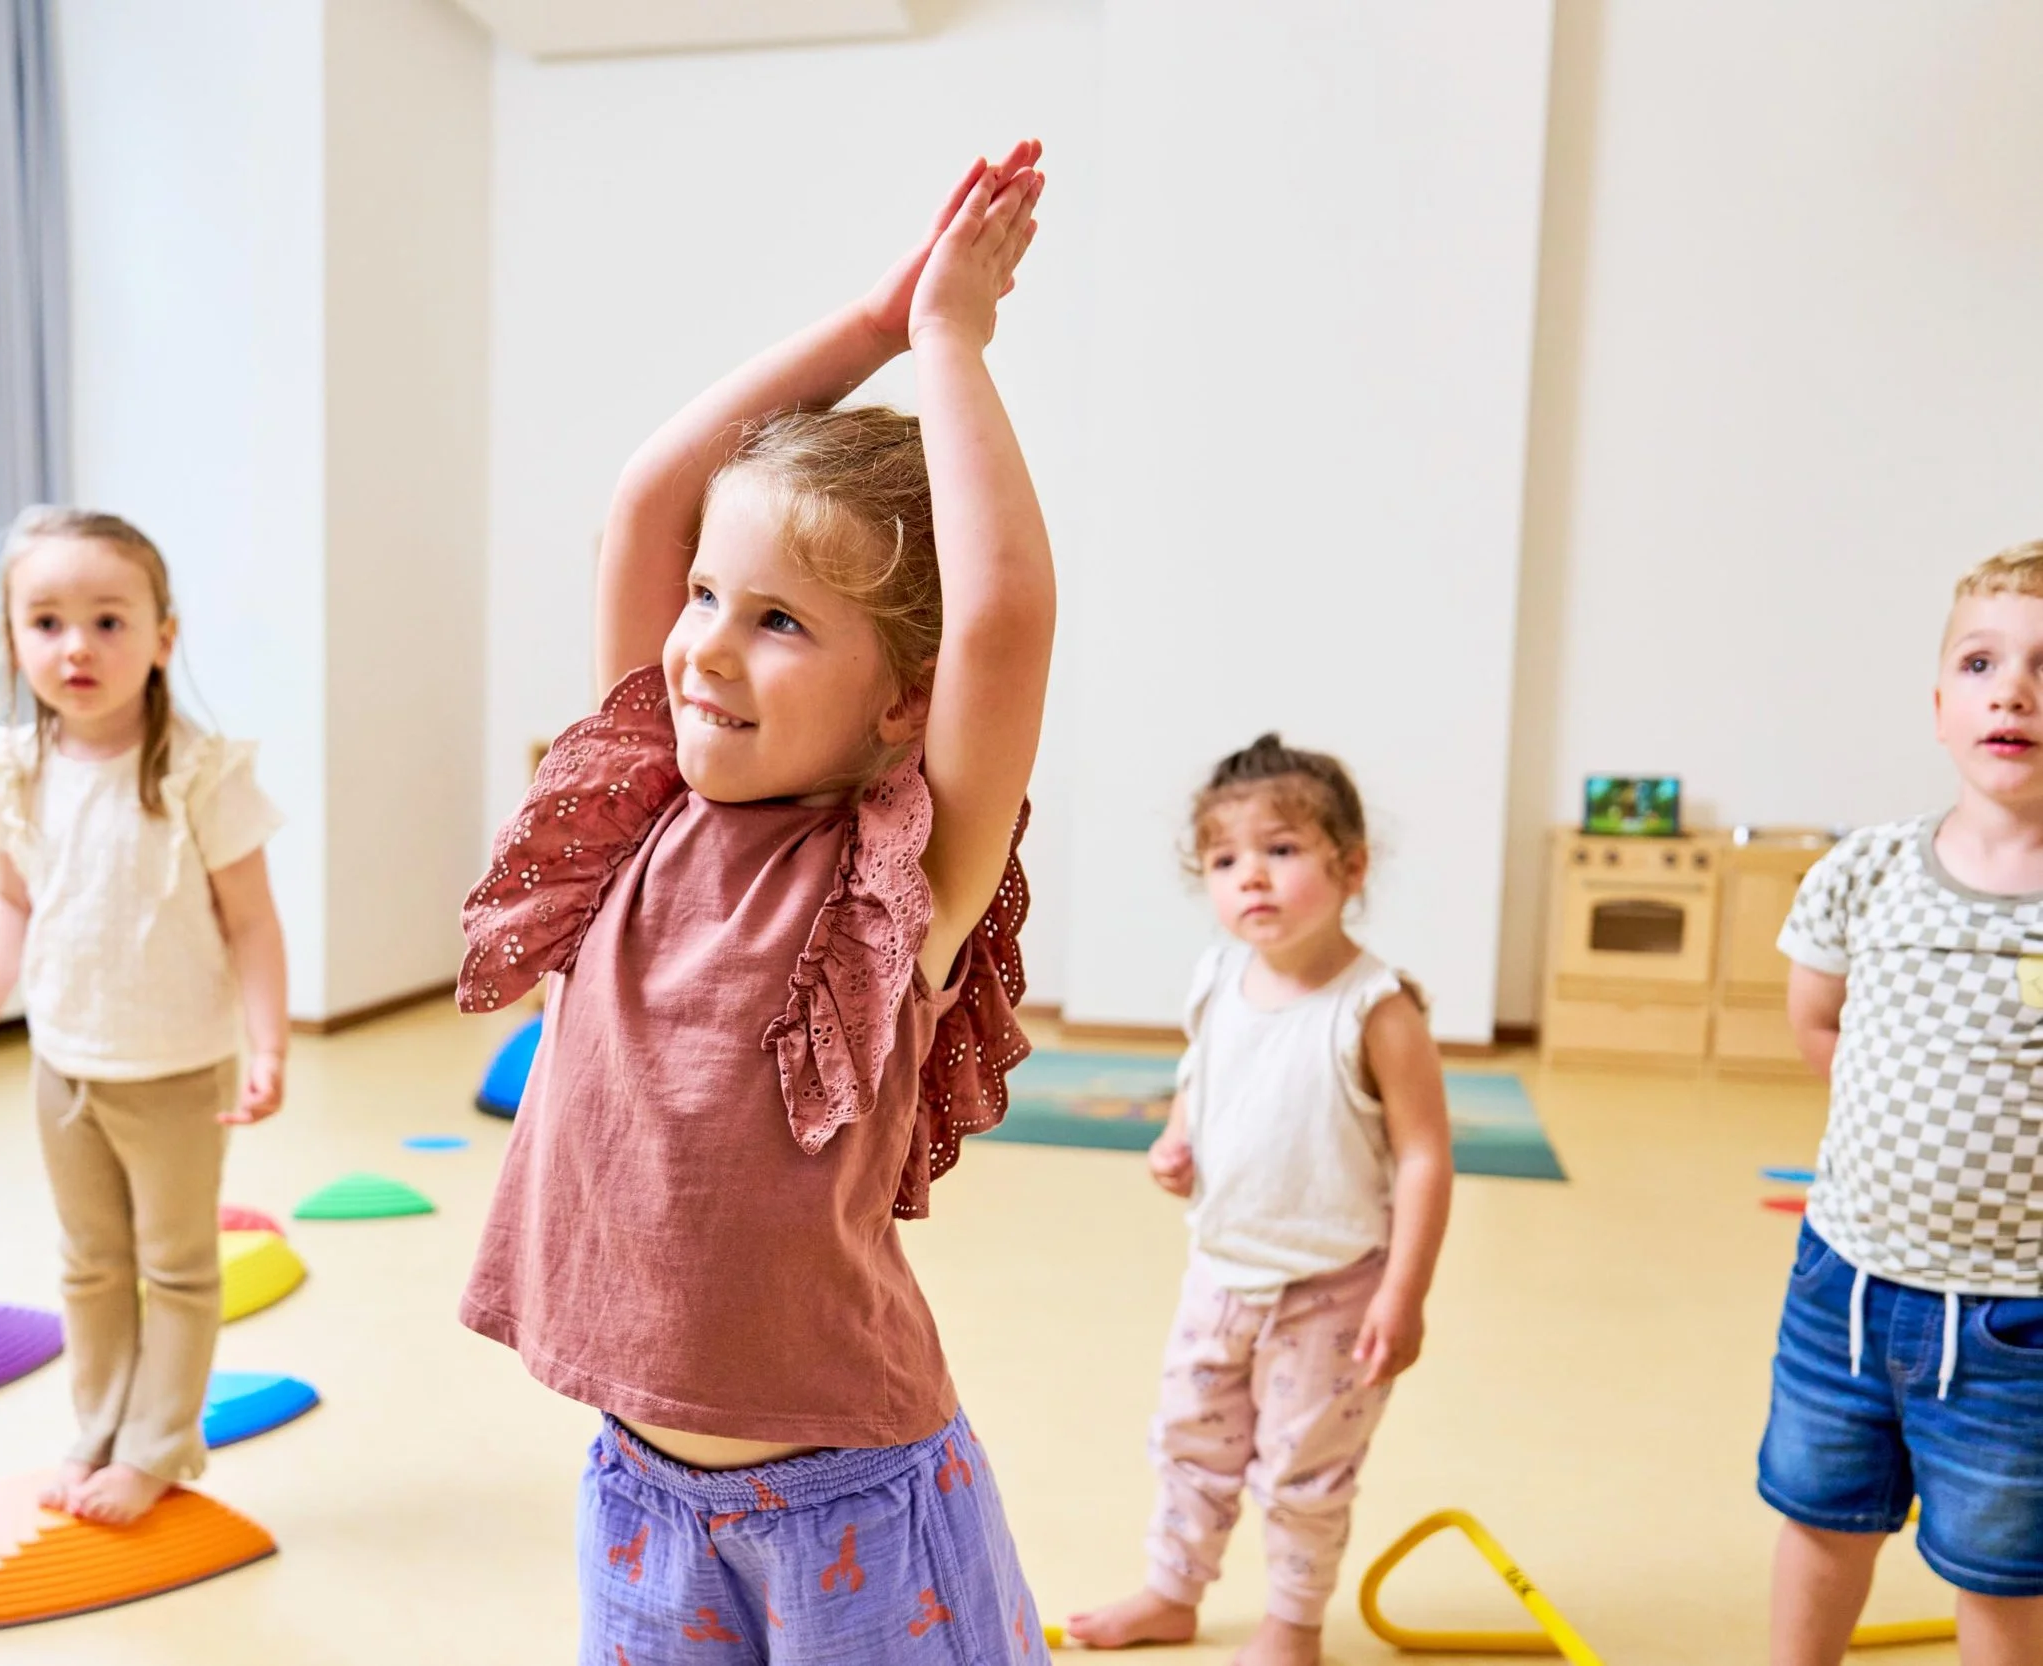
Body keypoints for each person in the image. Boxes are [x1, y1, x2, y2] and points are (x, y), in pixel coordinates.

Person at [457, 144, 1055, 1660]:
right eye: (706, 599)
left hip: (855, 1510)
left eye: (779, 619)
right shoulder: (634, 802)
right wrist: (868, 315)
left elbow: (1002, 618)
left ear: (902, 706)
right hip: (641, 1496)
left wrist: (950, 347)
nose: (705, 646)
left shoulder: (890, 886)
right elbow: (649, 501)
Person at [0, 506, 288, 1525]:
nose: (76, 644)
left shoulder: (197, 774)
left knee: (174, 1267)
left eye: (109, 621)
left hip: (175, 1068)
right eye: (45, 621)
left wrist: (268, 1042)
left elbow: (252, 921)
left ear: (163, 640)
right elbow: (9, 901)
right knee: (89, 1264)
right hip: (64, 1064)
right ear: (13, 638)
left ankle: (160, 1446)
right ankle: (99, 1422)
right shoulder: (16, 774)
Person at [1068, 735, 1453, 1664]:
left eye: (1280, 851)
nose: (1252, 879)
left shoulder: (1378, 1012)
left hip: (1333, 1288)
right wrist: (1180, 1135)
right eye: (1226, 859)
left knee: (1303, 1471)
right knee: (1190, 1442)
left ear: (1351, 867)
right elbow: (1203, 1074)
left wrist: (1405, 1295)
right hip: (1221, 1270)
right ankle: (1172, 1591)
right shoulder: (1217, 979)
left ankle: (1292, 1624)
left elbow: (1424, 1158)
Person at [1762, 541, 2043, 1666]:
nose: (2012, 690)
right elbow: (1816, 1022)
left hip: (2016, 1314)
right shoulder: (1865, 871)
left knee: (2001, 1567)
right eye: (1981, 662)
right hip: (1848, 1280)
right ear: (1939, 705)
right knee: (1820, 1518)